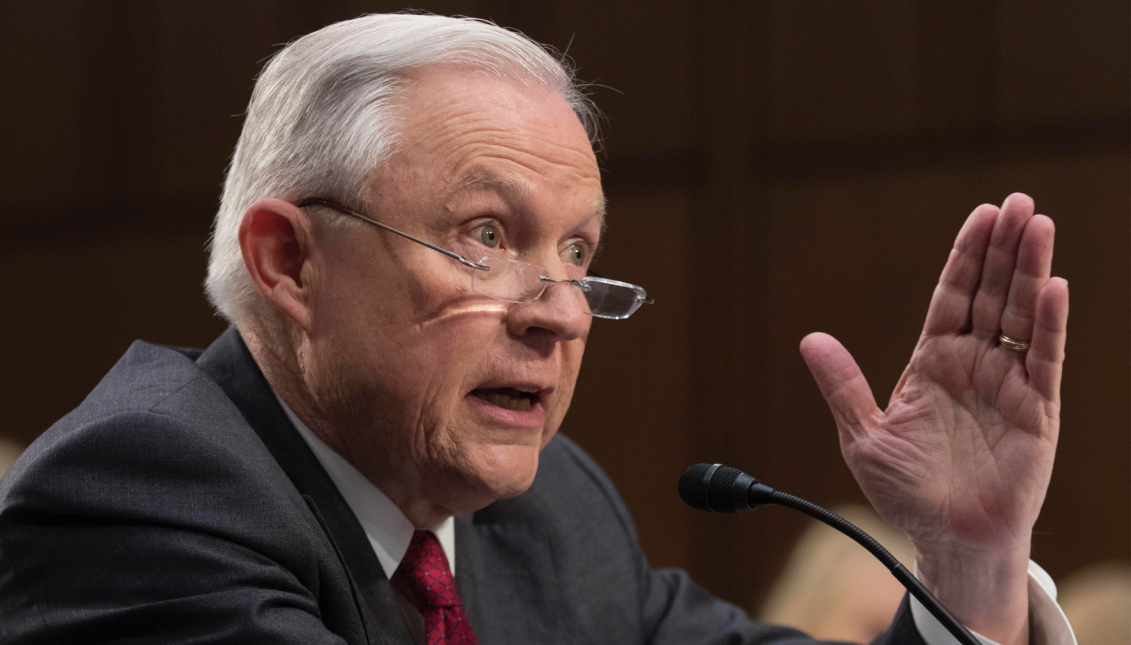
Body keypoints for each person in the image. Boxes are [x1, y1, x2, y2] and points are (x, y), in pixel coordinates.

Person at [0, 13, 1075, 645]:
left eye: (577, 254)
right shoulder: (141, 495)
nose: (559, 311)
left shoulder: (553, 514)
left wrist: (966, 558)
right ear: (289, 259)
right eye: (485, 234)